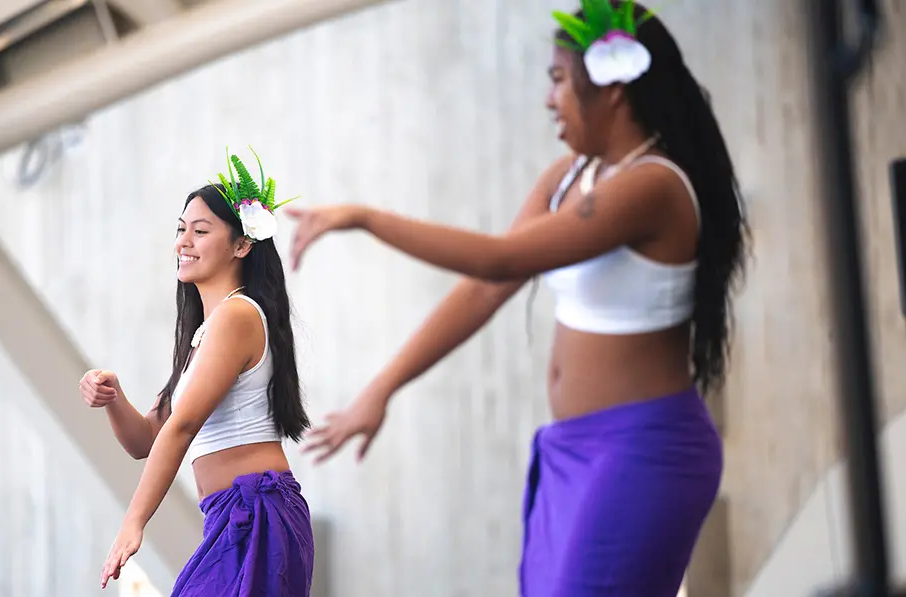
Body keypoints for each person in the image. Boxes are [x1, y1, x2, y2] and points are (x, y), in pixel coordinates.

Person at [285, 1, 748, 595]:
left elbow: (498, 258)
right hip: (571, 455)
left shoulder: (652, 185)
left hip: (642, 454)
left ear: (609, 88)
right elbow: (486, 288)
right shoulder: (568, 176)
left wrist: (366, 218)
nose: (549, 99)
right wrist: (382, 388)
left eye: (558, 80)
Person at [82, 150, 314, 596]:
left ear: (242, 245)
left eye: (200, 231)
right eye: (180, 230)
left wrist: (134, 522)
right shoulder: (206, 334)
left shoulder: (237, 317)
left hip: (258, 510)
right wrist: (114, 399)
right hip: (231, 513)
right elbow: (147, 439)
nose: (183, 242)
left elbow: (182, 427)